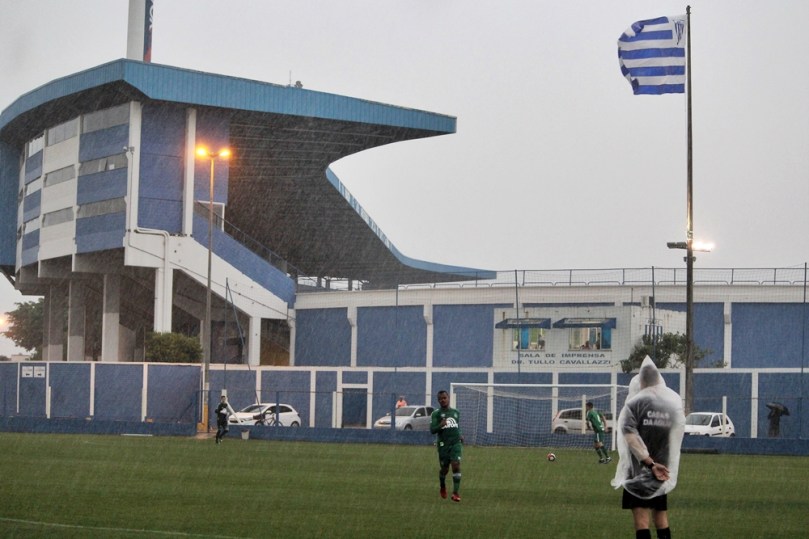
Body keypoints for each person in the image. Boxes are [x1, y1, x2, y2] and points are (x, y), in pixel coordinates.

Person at [611, 357, 685, 539]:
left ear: (641, 381)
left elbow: (630, 436)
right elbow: (676, 433)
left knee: (641, 521)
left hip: (641, 468)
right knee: (661, 517)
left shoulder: (635, 404)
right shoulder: (669, 406)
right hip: (663, 468)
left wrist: (650, 464)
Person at [430, 390, 463, 502]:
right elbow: (432, 430)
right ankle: (443, 486)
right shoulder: (436, 414)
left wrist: (460, 435)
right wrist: (441, 425)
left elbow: (457, 426)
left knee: (456, 465)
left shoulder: (456, 412)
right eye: (440, 399)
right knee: (444, 469)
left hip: (455, 443)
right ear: (438, 401)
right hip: (443, 444)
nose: (443, 400)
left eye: (444, 398)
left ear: (448, 398)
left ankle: (455, 493)